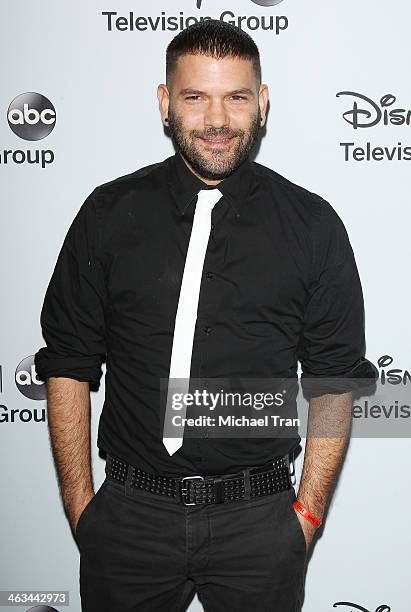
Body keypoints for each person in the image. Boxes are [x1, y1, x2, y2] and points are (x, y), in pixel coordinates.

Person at [34, 18, 377, 612]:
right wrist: (84, 510)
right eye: (196, 97)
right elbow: (67, 363)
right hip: (128, 521)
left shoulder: (312, 227)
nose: (217, 121)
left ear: (261, 104)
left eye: (236, 97)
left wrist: (306, 515)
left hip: (260, 524)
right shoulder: (108, 215)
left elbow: (333, 380)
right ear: (166, 104)